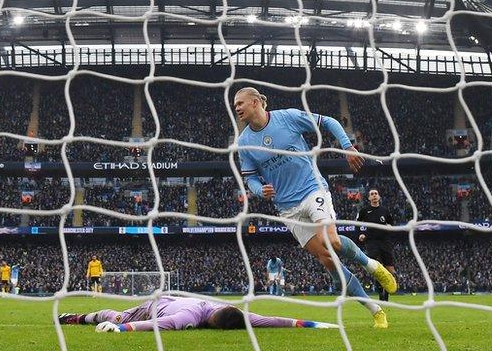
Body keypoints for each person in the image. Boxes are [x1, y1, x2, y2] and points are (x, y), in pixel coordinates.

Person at [234, 87, 397, 329]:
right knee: (328, 260)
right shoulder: (244, 143)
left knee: (333, 241)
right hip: (288, 209)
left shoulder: (287, 117)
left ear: (256, 102)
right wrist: (260, 190)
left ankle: (372, 265)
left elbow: (328, 121)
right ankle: (376, 310)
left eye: (240, 103)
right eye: (235, 104)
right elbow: (251, 179)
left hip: (312, 189)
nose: (236, 107)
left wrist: (347, 147)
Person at [58, 295, 338, 332]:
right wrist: (120, 328)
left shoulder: (236, 314)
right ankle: (75, 317)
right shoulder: (190, 317)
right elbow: (159, 323)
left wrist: (316, 324)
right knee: (115, 315)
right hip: (155, 305)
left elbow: (275, 321)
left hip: (171, 302)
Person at [357, 188, 396, 301]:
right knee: (377, 266)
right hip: (371, 241)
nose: (374, 195)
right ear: (369, 198)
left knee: (390, 269)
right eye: (372, 194)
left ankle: (386, 294)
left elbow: (390, 223)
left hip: (385, 241)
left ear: (379, 197)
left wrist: (389, 226)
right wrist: (362, 233)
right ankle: (380, 293)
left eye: (376, 194)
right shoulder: (364, 211)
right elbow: (357, 224)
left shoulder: (385, 211)